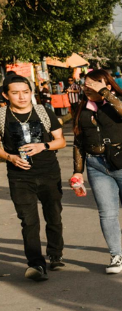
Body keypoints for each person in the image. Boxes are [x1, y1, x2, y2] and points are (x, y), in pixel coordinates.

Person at [70, 69, 122, 275]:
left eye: (92, 85)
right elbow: (79, 141)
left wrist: (105, 93)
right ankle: (116, 256)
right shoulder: (83, 109)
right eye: (85, 85)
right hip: (97, 166)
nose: (87, 88)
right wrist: (78, 171)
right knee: (107, 213)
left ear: (106, 85)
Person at [1, 74, 66, 281]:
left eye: (26, 92)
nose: (22, 97)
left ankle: (55, 255)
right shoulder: (1, 116)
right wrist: (10, 157)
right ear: (5, 95)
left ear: (31, 92)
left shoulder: (44, 112)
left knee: (53, 216)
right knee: (29, 221)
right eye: (16, 93)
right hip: (20, 177)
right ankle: (36, 264)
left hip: (48, 173)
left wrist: (43, 146)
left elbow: (61, 141)